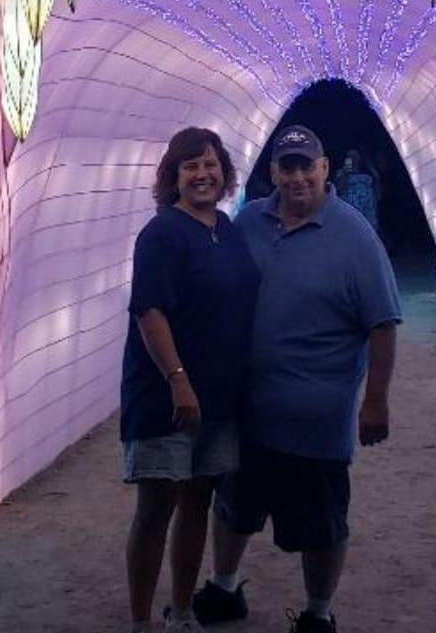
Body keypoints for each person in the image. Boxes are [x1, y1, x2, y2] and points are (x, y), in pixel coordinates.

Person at [192, 124, 402, 633]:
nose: (298, 176)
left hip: (316, 419)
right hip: (248, 409)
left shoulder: (354, 236)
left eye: (307, 165)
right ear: (273, 172)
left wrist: (375, 402)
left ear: (325, 169)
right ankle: (224, 585)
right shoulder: (248, 223)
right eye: (288, 166)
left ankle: (317, 612)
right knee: (234, 504)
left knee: (321, 524)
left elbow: (383, 322)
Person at [121, 127, 261, 633]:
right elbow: (149, 311)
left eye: (210, 164)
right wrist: (178, 380)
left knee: (198, 502)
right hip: (167, 398)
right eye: (190, 166)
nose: (202, 174)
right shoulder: (161, 234)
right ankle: (141, 620)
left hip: (218, 398)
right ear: (173, 178)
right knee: (155, 507)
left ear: (224, 172)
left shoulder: (228, 228)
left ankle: (181, 611)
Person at [332, 149, 380, 235]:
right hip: (350, 210)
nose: (353, 159)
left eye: (355, 156)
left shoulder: (367, 172)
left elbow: (376, 187)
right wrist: (346, 172)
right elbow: (337, 190)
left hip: (367, 211)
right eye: (350, 157)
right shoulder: (341, 173)